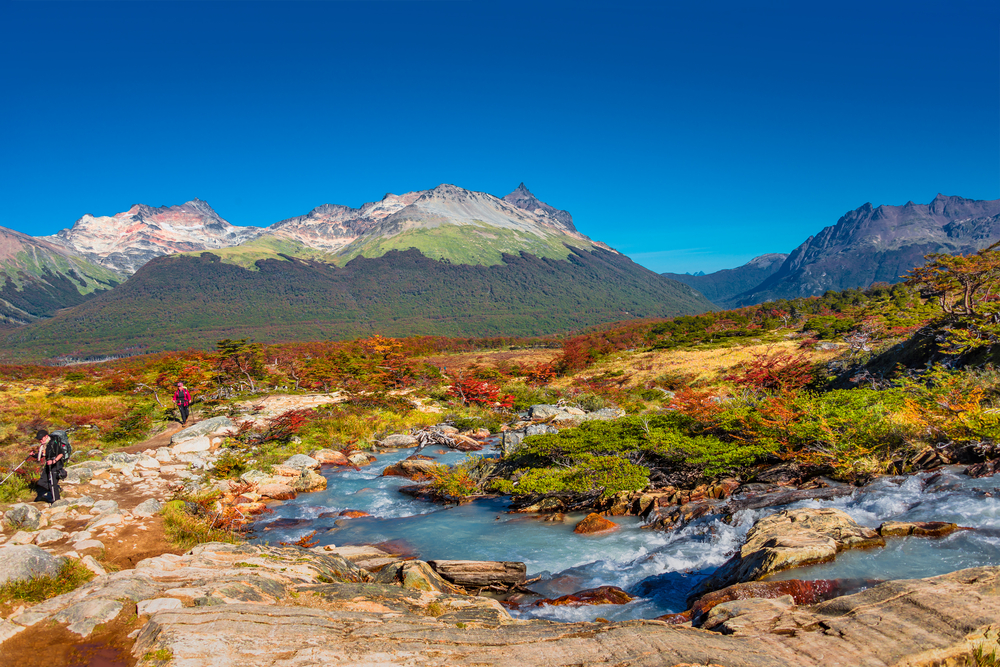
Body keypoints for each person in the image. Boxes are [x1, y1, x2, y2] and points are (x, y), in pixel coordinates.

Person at [34, 429, 64, 503]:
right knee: (41, 482)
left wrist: (54, 461)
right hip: (48, 464)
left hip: (55, 465)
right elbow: (42, 455)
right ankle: (56, 489)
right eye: (39, 439)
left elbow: (61, 453)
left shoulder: (53, 443)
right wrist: (33, 455)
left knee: (53, 483)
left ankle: (56, 501)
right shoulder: (44, 445)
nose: (40, 440)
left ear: (46, 436)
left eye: (41, 438)